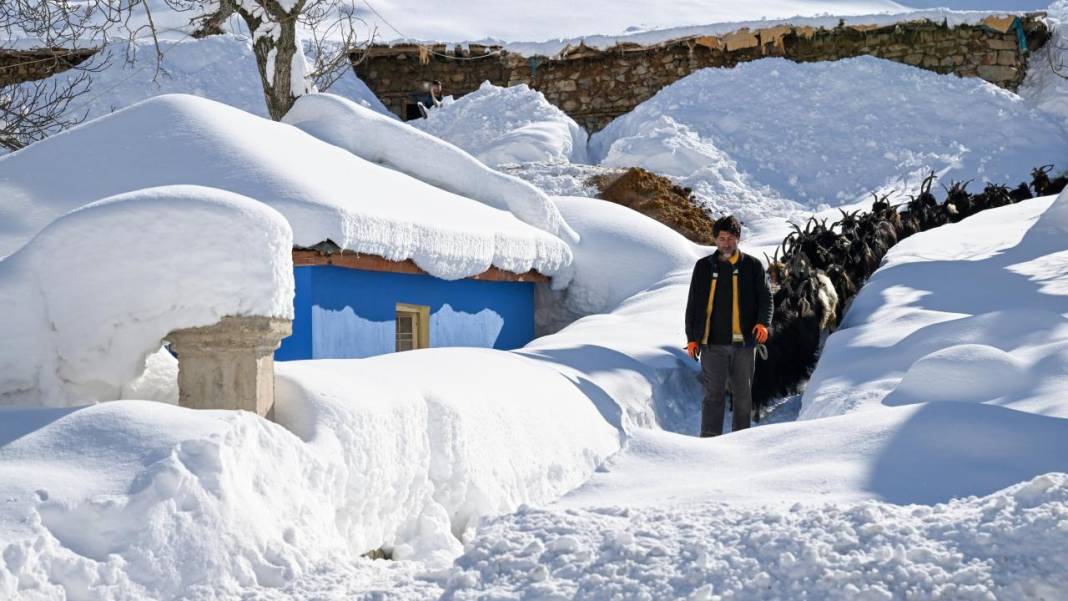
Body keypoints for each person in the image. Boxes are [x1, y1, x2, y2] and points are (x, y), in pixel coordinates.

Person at [684, 215, 772, 437]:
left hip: (744, 344)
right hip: (712, 345)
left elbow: (766, 298)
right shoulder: (703, 267)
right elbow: (693, 304)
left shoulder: (752, 266)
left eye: (730, 238)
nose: (726, 243)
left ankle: (741, 441)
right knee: (713, 395)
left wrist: (763, 323)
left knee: (743, 395)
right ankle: (709, 439)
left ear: (738, 239)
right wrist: (692, 338)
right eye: (722, 238)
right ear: (715, 240)